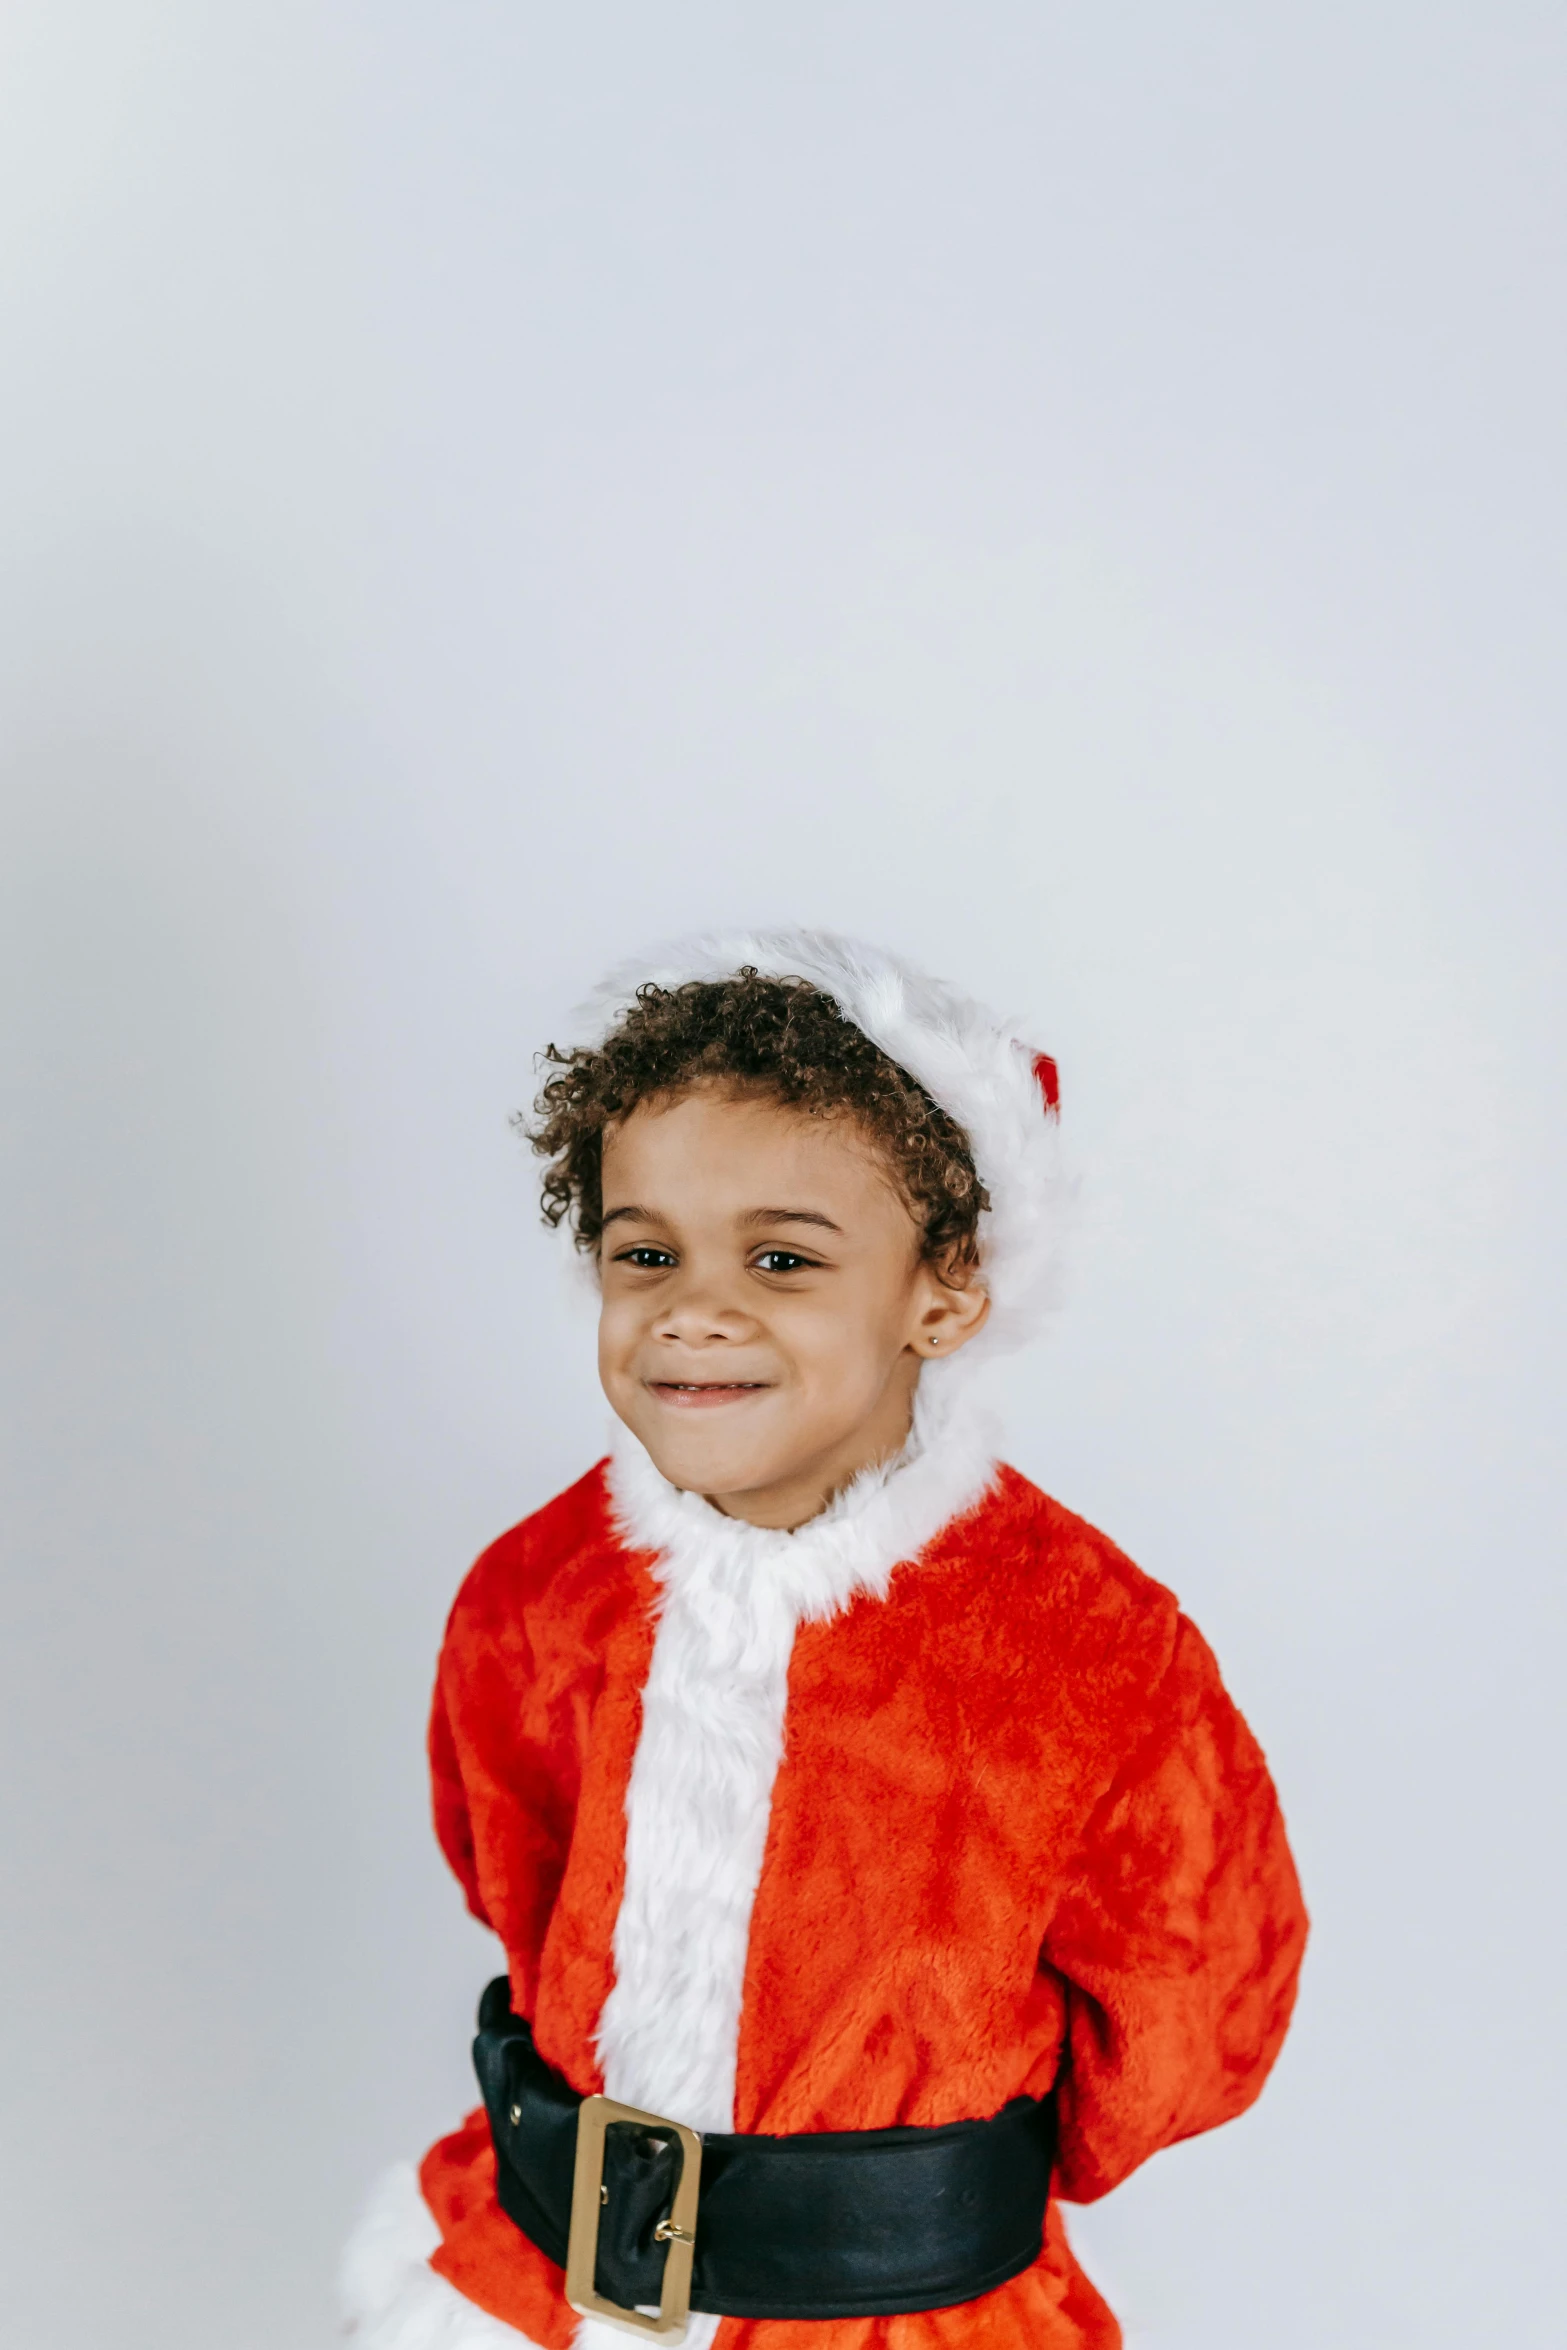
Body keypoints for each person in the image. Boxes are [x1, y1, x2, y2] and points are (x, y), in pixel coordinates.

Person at [341, 930, 1307, 2350]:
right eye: (645, 1252)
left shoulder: (1089, 1651)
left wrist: (921, 2185)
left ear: (945, 1289)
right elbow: (506, 1867)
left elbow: (1192, 2008)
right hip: (526, 2288)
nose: (695, 1310)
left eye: (782, 1256)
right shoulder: (533, 1593)